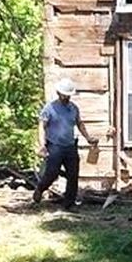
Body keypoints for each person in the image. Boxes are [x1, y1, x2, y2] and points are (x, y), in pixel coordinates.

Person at [33, 78, 98, 209]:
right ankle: (40, 189)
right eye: (64, 95)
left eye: (68, 95)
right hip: (55, 146)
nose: (66, 97)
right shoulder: (50, 108)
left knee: (73, 175)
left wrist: (88, 138)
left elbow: (79, 124)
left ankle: (69, 204)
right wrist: (42, 145)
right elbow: (42, 126)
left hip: (70, 146)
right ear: (58, 93)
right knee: (52, 173)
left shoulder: (73, 108)